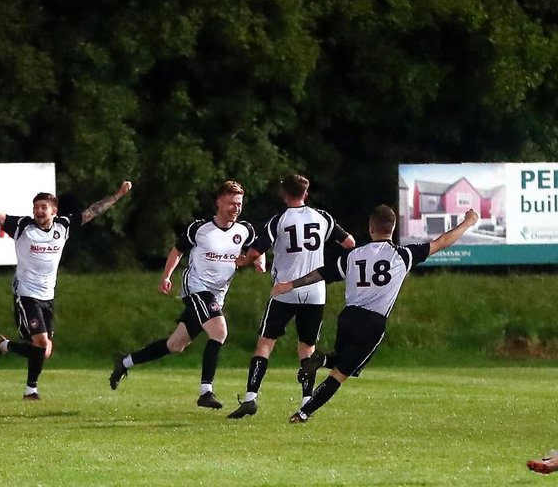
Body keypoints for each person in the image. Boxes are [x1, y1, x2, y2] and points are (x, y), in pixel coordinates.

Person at [282, 206, 478, 424]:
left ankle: (322, 360)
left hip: (347, 317)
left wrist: (290, 284)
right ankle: (303, 413)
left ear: (370, 227)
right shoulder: (402, 255)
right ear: (393, 229)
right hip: (372, 322)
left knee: (342, 362)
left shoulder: (354, 255)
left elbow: (322, 273)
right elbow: (442, 242)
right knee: (340, 373)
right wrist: (468, 222)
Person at [0, 180, 132, 399]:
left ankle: (4, 346)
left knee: (44, 351)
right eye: (36, 207)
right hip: (26, 295)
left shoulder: (63, 226)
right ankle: (31, 391)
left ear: (54, 211)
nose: (38, 211)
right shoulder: (23, 227)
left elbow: (92, 211)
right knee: (41, 342)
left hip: (48, 296)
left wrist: (118, 194)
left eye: (43, 207)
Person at [109, 180, 262, 409]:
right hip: (197, 289)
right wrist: (167, 276)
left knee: (175, 345)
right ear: (219, 202)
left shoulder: (245, 230)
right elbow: (178, 250)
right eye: (231, 203)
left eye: (239, 204)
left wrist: (257, 261)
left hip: (217, 295)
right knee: (219, 332)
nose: (236, 209)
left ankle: (125, 361)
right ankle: (205, 391)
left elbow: (256, 252)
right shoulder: (200, 228)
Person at [226, 174, 355, 419]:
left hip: (285, 290)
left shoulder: (280, 220)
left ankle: (251, 397)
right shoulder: (323, 217)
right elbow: (349, 242)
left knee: (265, 343)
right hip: (315, 291)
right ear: (306, 194)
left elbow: (256, 250)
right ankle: (307, 400)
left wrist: (242, 261)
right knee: (307, 347)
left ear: (284, 194)